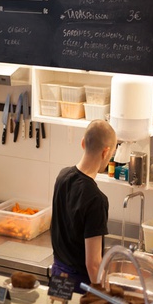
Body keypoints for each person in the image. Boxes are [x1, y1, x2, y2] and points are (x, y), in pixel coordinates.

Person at [50, 119, 117, 292]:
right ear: (106, 152)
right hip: (80, 285)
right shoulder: (96, 199)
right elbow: (93, 264)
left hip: (58, 277)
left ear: (82, 143)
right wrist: (105, 296)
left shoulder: (62, 176)